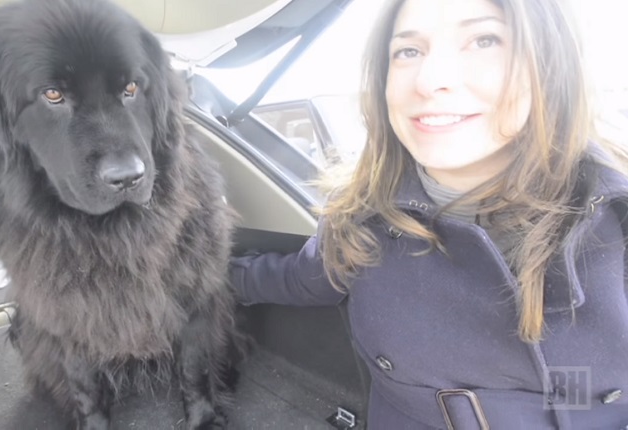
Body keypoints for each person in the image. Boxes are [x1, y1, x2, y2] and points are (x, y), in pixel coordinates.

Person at [229, 0, 628, 428]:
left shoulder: (614, 217)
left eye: (483, 40)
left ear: (550, 64)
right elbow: (301, 279)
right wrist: (205, 278)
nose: (430, 79)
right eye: (408, 51)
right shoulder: (360, 215)